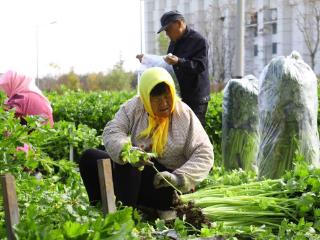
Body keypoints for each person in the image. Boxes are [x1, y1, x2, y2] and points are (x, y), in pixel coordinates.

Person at [79, 67, 213, 219]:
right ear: (145, 99)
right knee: (90, 157)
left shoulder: (183, 115)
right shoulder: (135, 107)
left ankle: (125, 218)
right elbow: (113, 130)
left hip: (167, 187)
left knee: (132, 165)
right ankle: (100, 208)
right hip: (136, 179)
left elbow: (204, 152)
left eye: (167, 96)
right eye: (157, 99)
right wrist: (127, 151)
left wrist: (178, 178)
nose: (164, 103)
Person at [137, 11, 211, 127]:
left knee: (195, 131)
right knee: (180, 132)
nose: (167, 34)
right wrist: (147, 60)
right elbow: (168, 64)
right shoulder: (174, 43)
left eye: (168, 29)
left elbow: (200, 66)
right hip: (180, 96)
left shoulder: (199, 41)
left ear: (179, 23)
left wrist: (179, 61)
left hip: (196, 98)